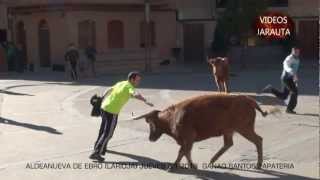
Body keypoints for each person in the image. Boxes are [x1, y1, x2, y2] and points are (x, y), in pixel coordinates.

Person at [89, 71, 154, 161]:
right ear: (132, 79)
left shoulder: (121, 83)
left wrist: (102, 98)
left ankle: (99, 147)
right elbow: (135, 94)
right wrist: (145, 100)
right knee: (108, 133)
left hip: (104, 107)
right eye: (137, 80)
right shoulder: (129, 87)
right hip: (112, 111)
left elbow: (109, 89)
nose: (138, 82)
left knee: (103, 129)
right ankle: (96, 152)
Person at [262, 47, 300, 114]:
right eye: (295, 52)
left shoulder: (297, 60)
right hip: (285, 78)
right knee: (294, 92)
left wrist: (295, 78)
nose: (297, 53)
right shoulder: (289, 58)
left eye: (298, 52)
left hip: (290, 78)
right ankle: (289, 109)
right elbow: (286, 66)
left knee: (284, 96)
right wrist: (292, 72)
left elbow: (295, 69)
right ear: (292, 51)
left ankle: (271, 89)